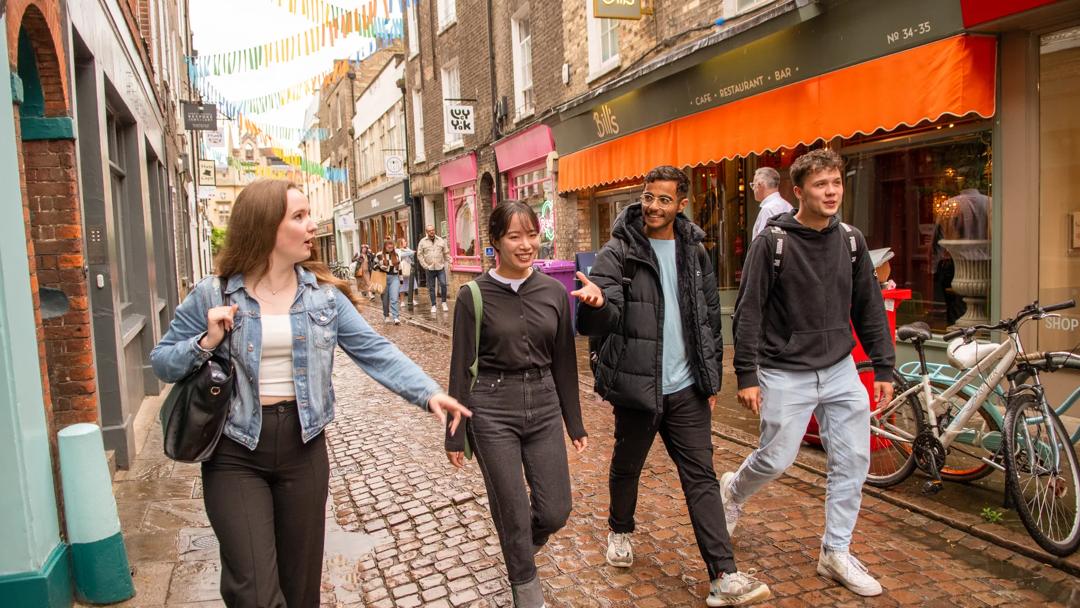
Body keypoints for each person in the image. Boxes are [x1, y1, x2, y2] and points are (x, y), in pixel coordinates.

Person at [149, 179, 470, 608]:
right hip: (235, 451)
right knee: (255, 592)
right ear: (266, 227)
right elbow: (162, 361)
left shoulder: (323, 297)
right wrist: (205, 342)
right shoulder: (215, 292)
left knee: (301, 591)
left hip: (304, 449)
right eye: (298, 217)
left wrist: (429, 393)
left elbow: (375, 351)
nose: (311, 224)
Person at [573, 165, 770, 607]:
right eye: (648, 196)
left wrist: (710, 378)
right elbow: (597, 316)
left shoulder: (695, 251)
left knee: (700, 477)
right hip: (639, 386)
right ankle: (620, 529)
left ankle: (724, 575)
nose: (653, 206)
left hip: (686, 389)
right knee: (628, 466)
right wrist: (598, 303)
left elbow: (706, 321)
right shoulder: (619, 249)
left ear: (682, 204)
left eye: (664, 199)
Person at [723, 148, 895, 598]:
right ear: (798, 192)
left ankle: (835, 551)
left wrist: (882, 364)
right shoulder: (773, 243)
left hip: (840, 368)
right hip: (784, 371)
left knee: (853, 460)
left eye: (836, 183)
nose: (832, 191)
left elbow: (869, 307)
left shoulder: (851, 241)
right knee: (777, 458)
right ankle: (733, 492)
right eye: (821, 185)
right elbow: (748, 312)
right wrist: (746, 375)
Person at [446, 201, 588, 608]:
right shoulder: (472, 295)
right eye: (514, 236)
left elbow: (564, 360)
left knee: (555, 510)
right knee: (511, 507)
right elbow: (460, 367)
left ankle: (522, 543)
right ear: (494, 242)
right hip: (492, 408)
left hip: (543, 405)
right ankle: (528, 594)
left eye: (532, 234)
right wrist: (456, 435)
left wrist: (573, 423)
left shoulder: (553, 292)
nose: (527, 245)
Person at [750, 166, 794, 239]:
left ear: (760, 185)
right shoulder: (788, 205)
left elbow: (763, 244)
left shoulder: (767, 209)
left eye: (753, 185)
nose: (753, 189)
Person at [417, 224, 450, 313]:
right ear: (426, 232)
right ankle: (433, 305)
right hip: (429, 268)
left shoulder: (440, 240)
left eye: (433, 230)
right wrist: (425, 266)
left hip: (440, 267)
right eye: (430, 230)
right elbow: (419, 255)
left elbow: (446, 253)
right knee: (431, 287)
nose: (432, 232)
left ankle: (444, 302)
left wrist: (451, 261)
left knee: (443, 284)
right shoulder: (422, 242)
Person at [374, 239, 402, 324]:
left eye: (392, 246)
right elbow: (373, 266)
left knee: (394, 298)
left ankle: (396, 317)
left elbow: (399, 268)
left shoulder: (396, 255)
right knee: (385, 299)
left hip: (394, 278)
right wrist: (380, 266)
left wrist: (401, 281)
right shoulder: (379, 255)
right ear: (385, 247)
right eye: (388, 246)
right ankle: (386, 315)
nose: (390, 248)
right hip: (383, 277)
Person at [396, 237, 419, 309]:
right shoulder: (398, 250)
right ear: (400, 243)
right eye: (404, 241)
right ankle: (402, 301)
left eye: (405, 241)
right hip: (402, 269)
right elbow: (402, 255)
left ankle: (412, 299)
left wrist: (410, 252)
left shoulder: (408, 249)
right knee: (402, 285)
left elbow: (412, 256)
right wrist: (411, 252)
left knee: (411, 284)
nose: (406, 242)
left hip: (409, 268)